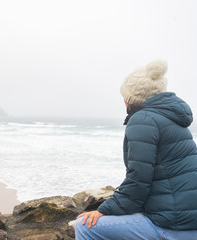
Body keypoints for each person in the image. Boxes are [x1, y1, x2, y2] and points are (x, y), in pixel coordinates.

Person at [74, 60, 197, 239]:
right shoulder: (172, 118)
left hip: (172, 225)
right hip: (189, 221)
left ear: (131, 98)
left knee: (85, 227)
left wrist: (105, 210)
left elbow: (139, 180)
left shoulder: (143, 120)